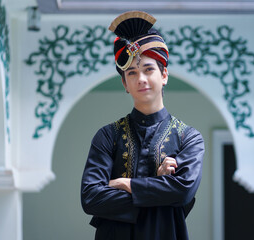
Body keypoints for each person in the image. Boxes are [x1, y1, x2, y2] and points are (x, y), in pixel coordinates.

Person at [81, 11, 205, 240]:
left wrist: (125, 184)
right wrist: (159, 187)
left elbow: (184, 190)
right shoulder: (108, 136)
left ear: (164, 74)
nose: (141, 79)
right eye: (132, 72)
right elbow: (91, 197)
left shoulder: (189, 137)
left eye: (148, 69)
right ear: (124, 83)